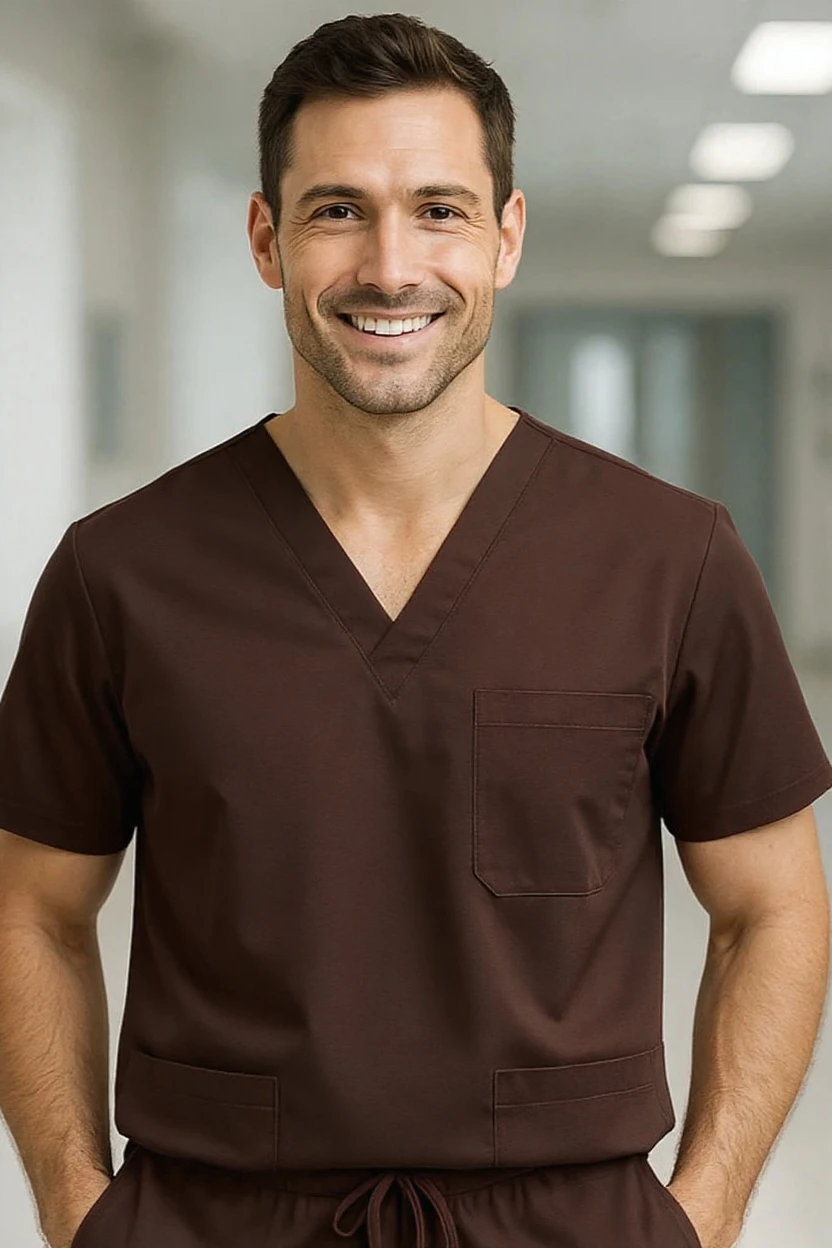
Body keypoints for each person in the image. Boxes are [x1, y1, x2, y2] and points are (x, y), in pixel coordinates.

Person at [0, 12, 830, 1248]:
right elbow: (33, 907)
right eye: (337, 210)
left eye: (439, 209)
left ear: (505, 238)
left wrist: (696, 1222)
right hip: (212, 1218)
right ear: (265, 240)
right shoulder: (123, 572)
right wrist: (78, 1211)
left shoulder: (671, 559)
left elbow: (772, 904)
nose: (391, 265)